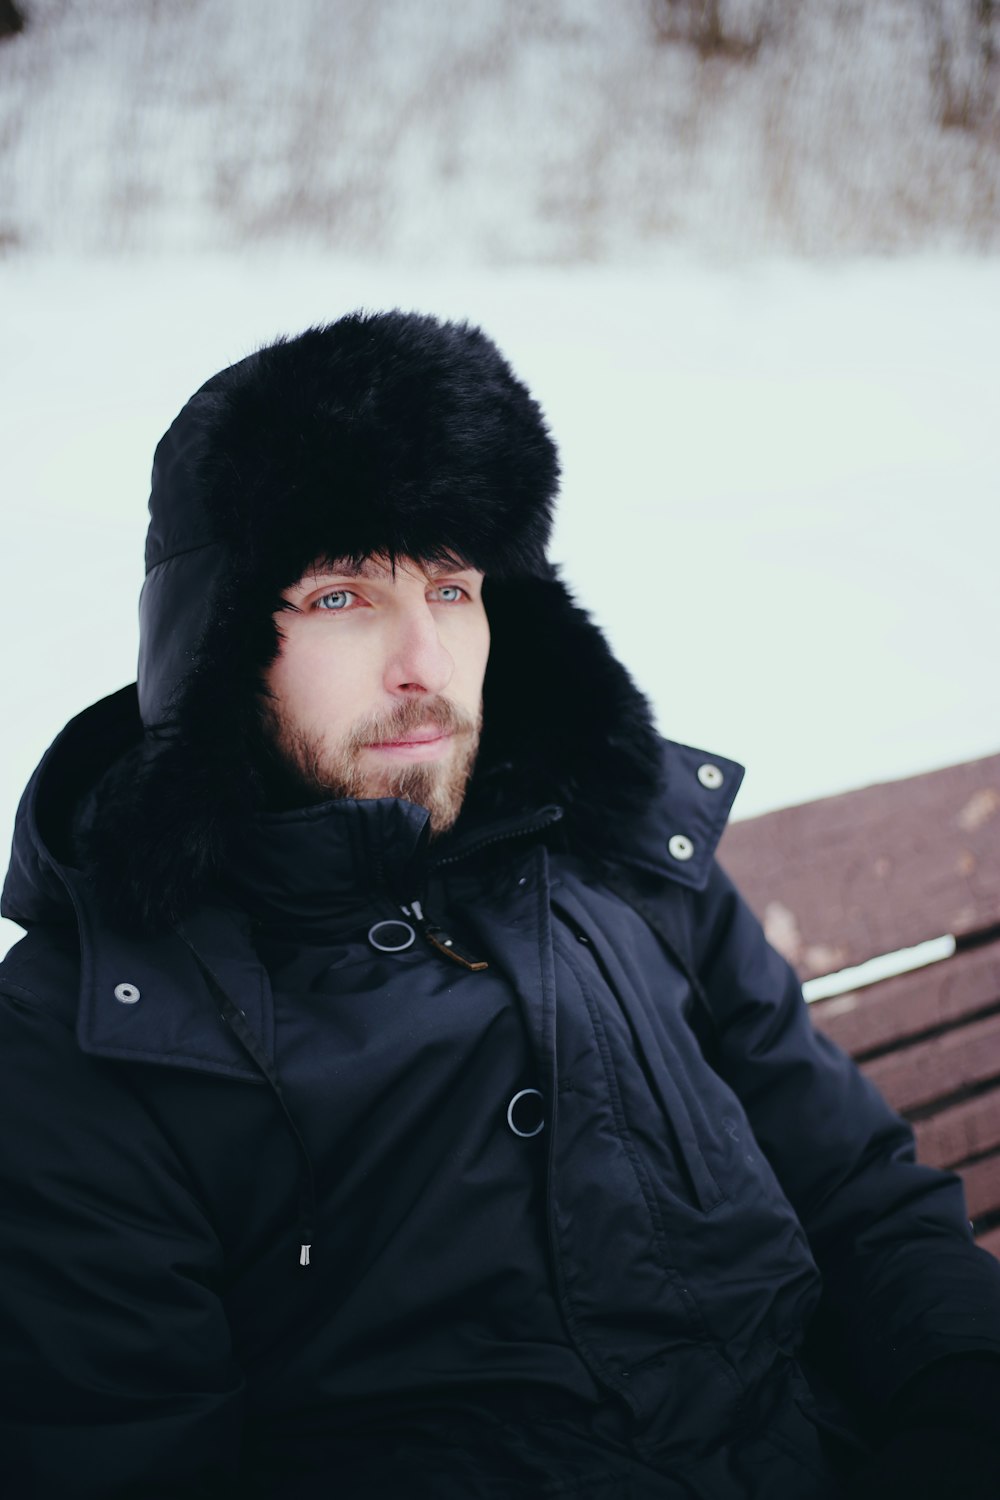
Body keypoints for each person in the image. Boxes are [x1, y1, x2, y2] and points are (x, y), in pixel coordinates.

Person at [1, 312, 999, 1500]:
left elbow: (861, 1194)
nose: (424, 657)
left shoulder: (623, 856)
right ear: (213, 651)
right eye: (341, 597)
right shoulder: (95, 1039)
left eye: (453, 586)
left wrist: (958, 1409)